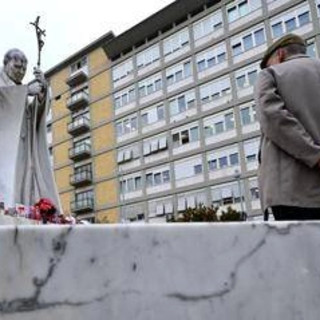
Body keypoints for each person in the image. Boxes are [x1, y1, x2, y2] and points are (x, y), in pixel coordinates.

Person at [255, 34, 320, 221]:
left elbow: (273, 118)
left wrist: (315, 156)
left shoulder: (270, 74)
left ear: (281, 54)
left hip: (293, 193)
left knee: (300, 250)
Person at [0, 48, 61, 212]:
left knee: (25, 177)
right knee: (8, 177)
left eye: (23, 69)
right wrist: (26, 91)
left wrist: (42, 93)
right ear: (5, 64)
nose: (20, 72)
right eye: (17, 67)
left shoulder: (17, 87)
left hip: (24, 143)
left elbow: (33, 114)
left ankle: (22, 208)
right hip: (5, 146)